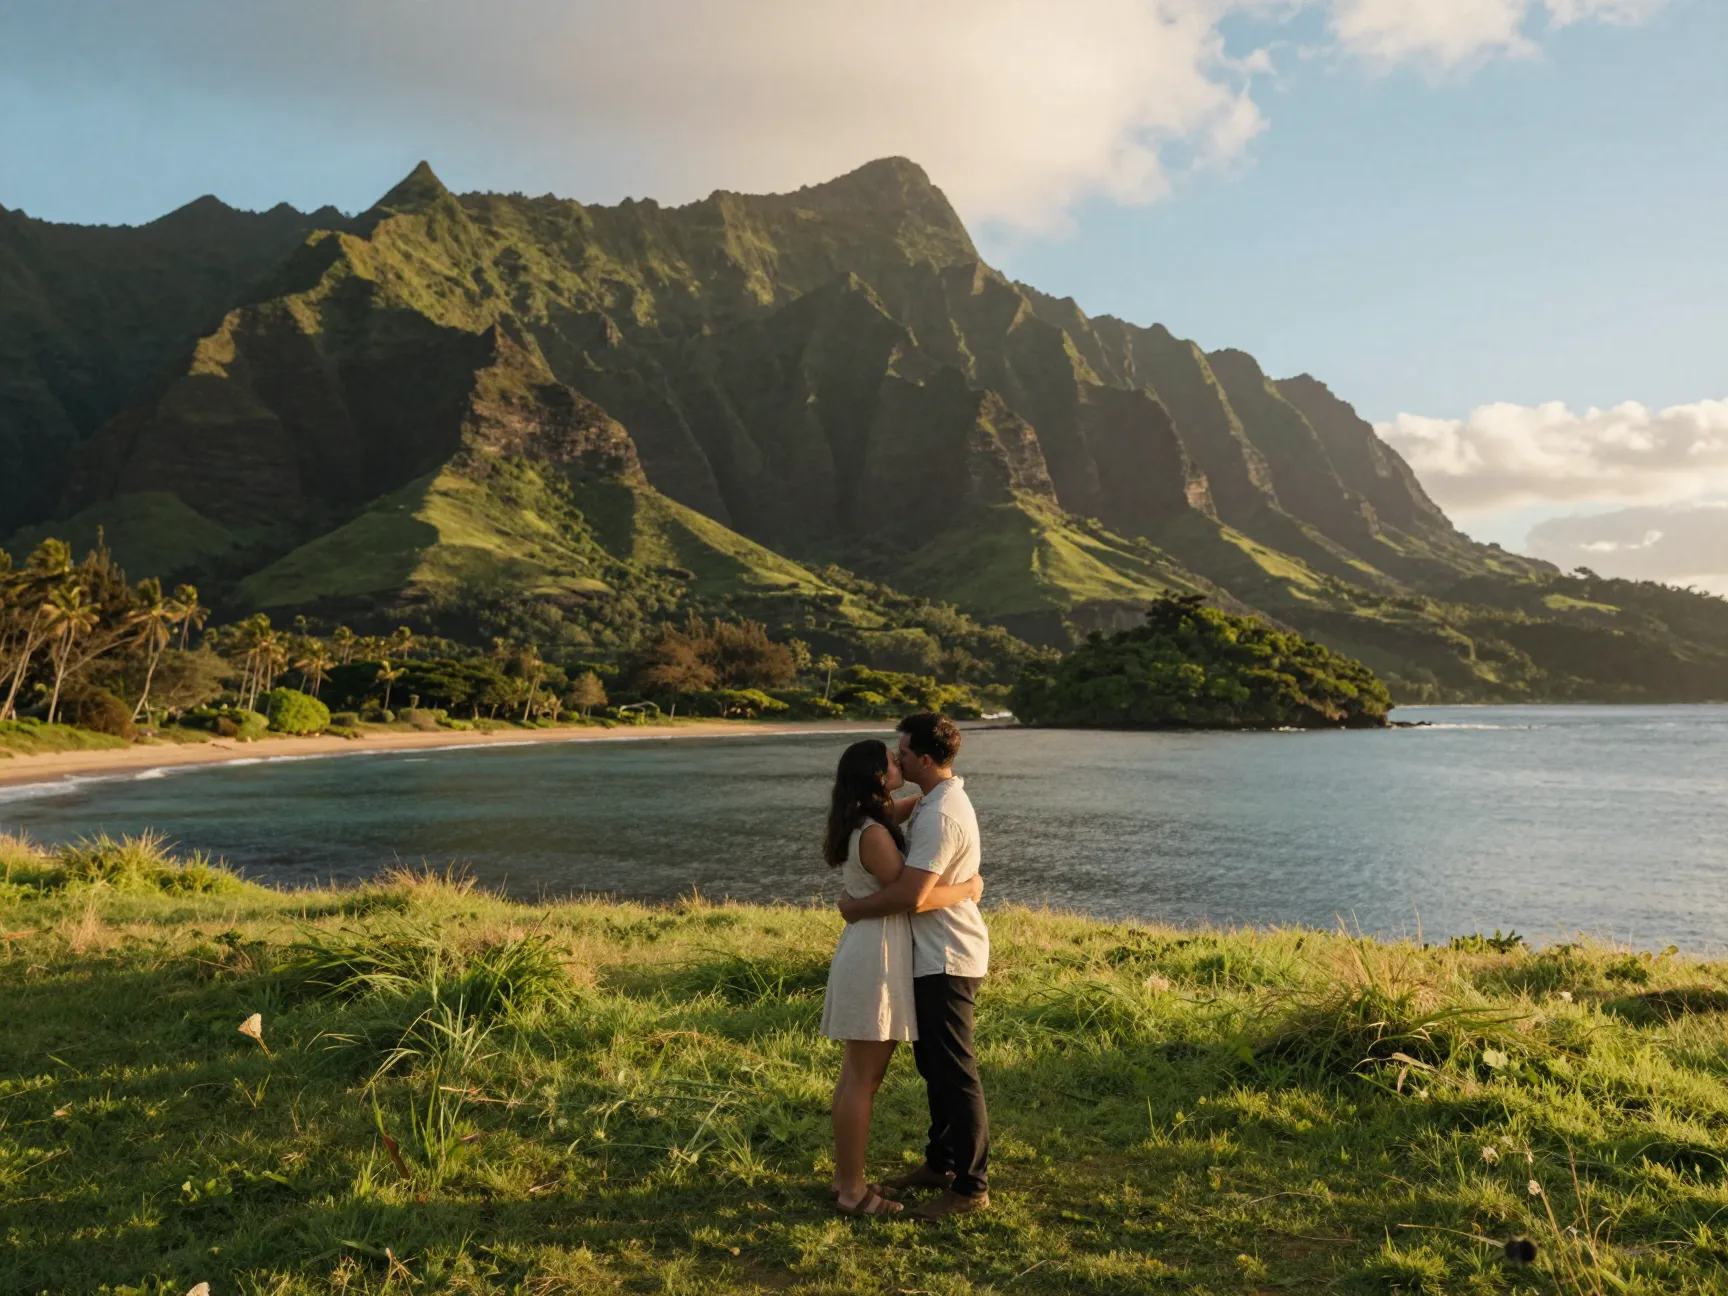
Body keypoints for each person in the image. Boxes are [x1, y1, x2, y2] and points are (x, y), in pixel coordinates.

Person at [819, 737, 982, 1217]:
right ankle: (852, 1190)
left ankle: (845, 1180)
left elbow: (925, 801)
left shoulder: (870, 819)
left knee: (854, 1078)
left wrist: (943, 789)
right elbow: (909, 894)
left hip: (875, 951)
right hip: (875, 955)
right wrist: (968, 888)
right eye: (891, 761)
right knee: (862, 1081)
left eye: (903, 755)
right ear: (876, 775)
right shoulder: (873, 832)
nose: (899, 763)